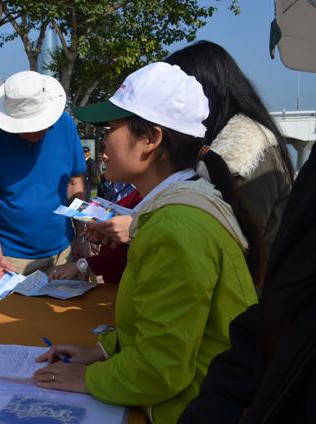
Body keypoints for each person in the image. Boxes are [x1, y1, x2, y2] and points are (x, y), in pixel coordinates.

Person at [32, 62, 259, 423]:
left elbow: (160, 369)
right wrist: (102, 351)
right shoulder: (177, 210)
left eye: (111, 129)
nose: (103, 142)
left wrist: (89, 379)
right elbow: (160, 330)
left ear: (151, 140)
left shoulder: (175, 227)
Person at [178, 144, 316, 423]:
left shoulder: (176, 225)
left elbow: (162, 362)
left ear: (152, 140)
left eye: (116, 126)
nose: (104, 148)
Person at [166, 40, 293, 282]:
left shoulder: (251, 156)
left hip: (247, 307)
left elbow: (237, 249)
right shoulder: (216, 154)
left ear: (207, 93)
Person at [0, 71, 87, 283]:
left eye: (41, 126)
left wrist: (81, 235)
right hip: (11, 259)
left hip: (64, 252)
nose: (35, 133)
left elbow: (75, 184)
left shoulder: (65, 126)